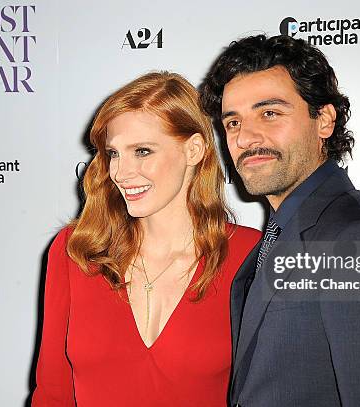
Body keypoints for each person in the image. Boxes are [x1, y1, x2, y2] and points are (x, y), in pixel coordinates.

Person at [200, 34, 360, 406]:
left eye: (270, 113)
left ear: (323, 120)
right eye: (232, 122)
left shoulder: (359, 237)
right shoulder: (279, 233)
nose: (245, 137)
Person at [31, 71, 260, 406]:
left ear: (194, 149)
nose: (121, 173)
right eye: (113, 153)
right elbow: (52, 393)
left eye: (142, 151)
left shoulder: (248, 254)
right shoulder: (77, 251)